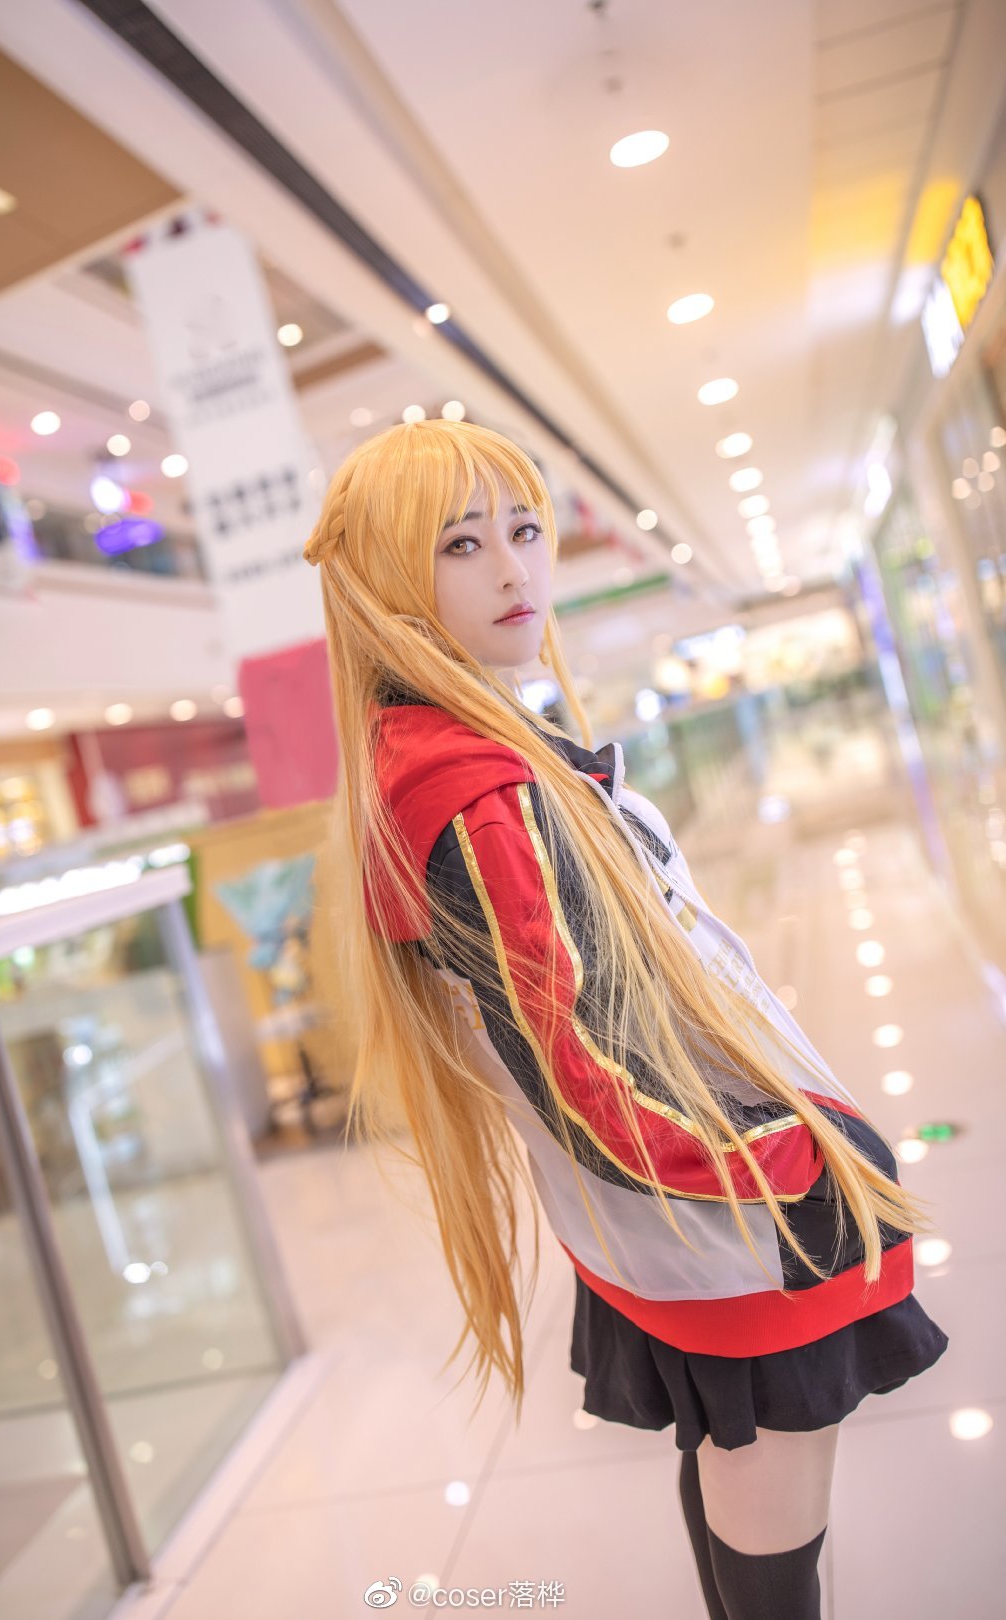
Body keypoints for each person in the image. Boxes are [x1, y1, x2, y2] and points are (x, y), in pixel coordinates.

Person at [302, 419, 949, 1619]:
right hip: (713, 1202)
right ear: (390, 576)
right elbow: (582, 1076)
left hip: (667, 1210)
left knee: (734, 1461)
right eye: (461, 544)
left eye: (525, 530)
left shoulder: (440, 754)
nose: (515, 571)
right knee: (770, 1485)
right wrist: (795, 1160)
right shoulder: (473, 791)